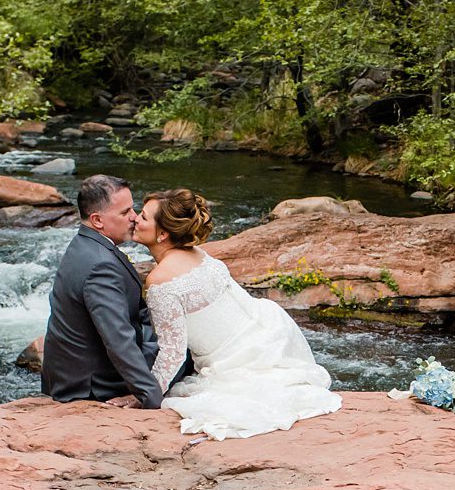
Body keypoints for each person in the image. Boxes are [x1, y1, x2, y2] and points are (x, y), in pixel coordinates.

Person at [136, 188, 341, 440]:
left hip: (232, 363)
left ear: (163, 233)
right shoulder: (199, 254)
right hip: (265, 334)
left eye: (143, 217)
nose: (135, 219)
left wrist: (146, 396)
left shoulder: (160, 281)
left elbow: (173, 351)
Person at [40, 174, 184, 407]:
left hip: (74, 370)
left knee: (175, 342)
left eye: (133, 209)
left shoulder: (86, 245)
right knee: (183, 354)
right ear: (97, 220)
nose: (134, 217)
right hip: (91, 384)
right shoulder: (99, 264)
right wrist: (150, 397)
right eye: (125, 212)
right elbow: (118, 340)